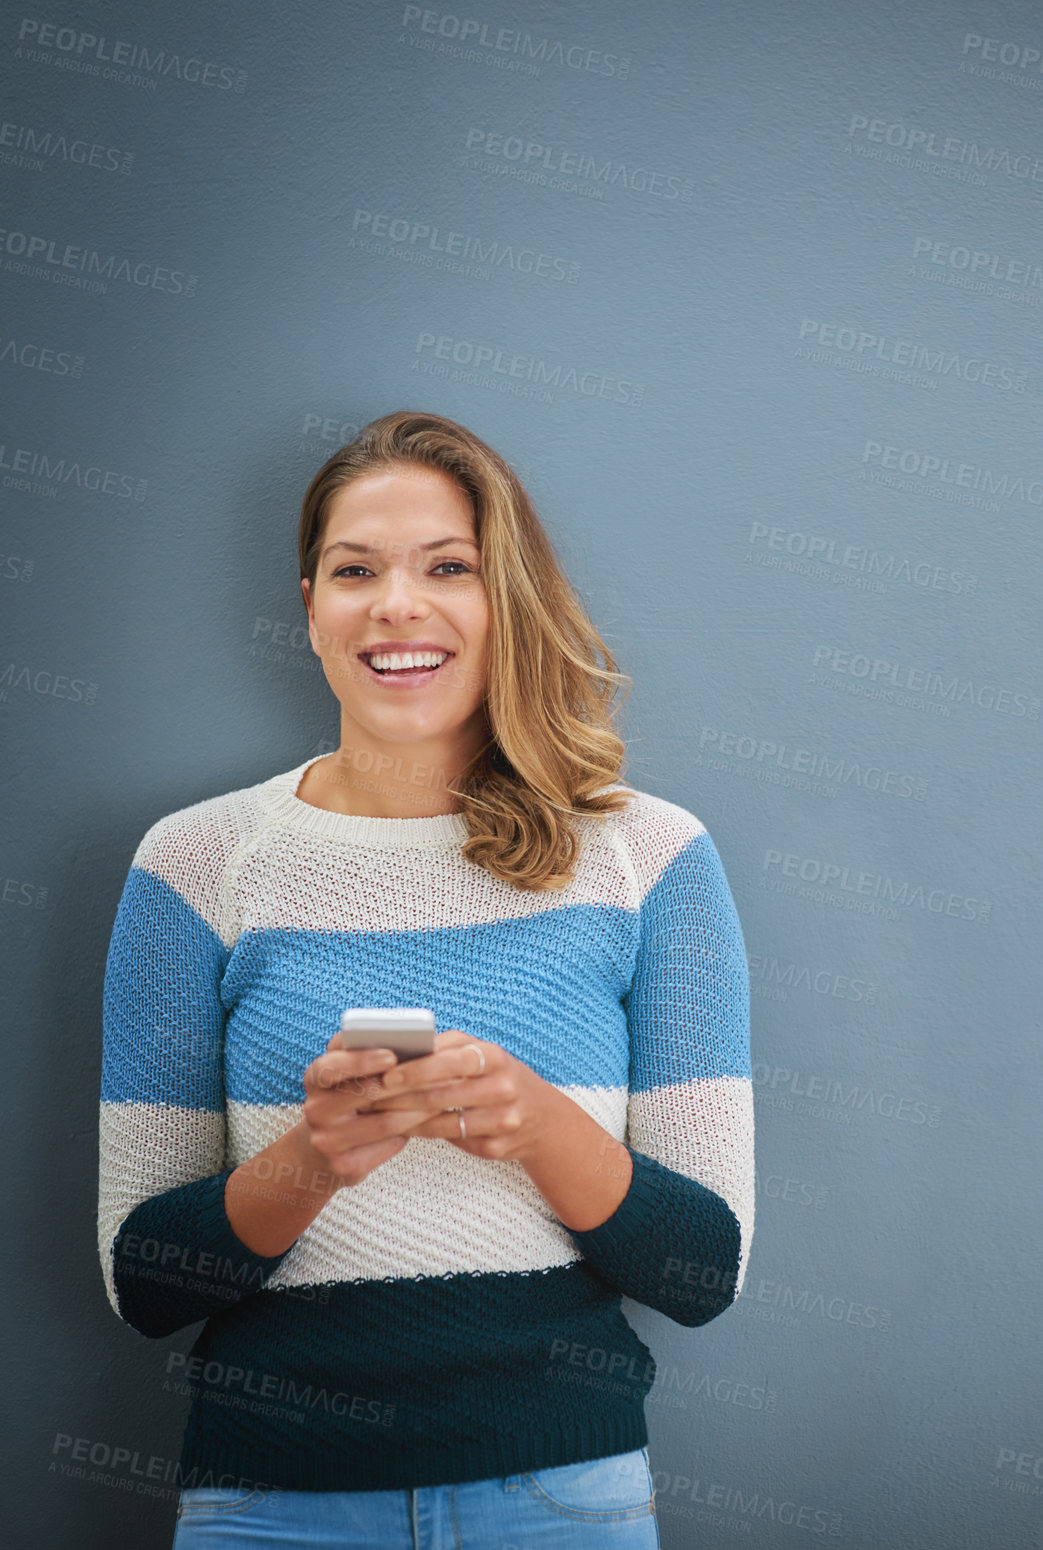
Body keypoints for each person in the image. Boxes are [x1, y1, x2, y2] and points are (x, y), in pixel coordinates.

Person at [97, 410, 754, 1548]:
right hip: (269, 1503)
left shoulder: (648, 857)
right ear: (310, 610)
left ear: (505, 600)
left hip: (562, 1492)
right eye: (356, 570)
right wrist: (313, 1158)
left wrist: (538, 1121)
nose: (396, 603)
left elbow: (701, 1268)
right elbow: (144, 1287)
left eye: (447, 566)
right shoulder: (191, 862)